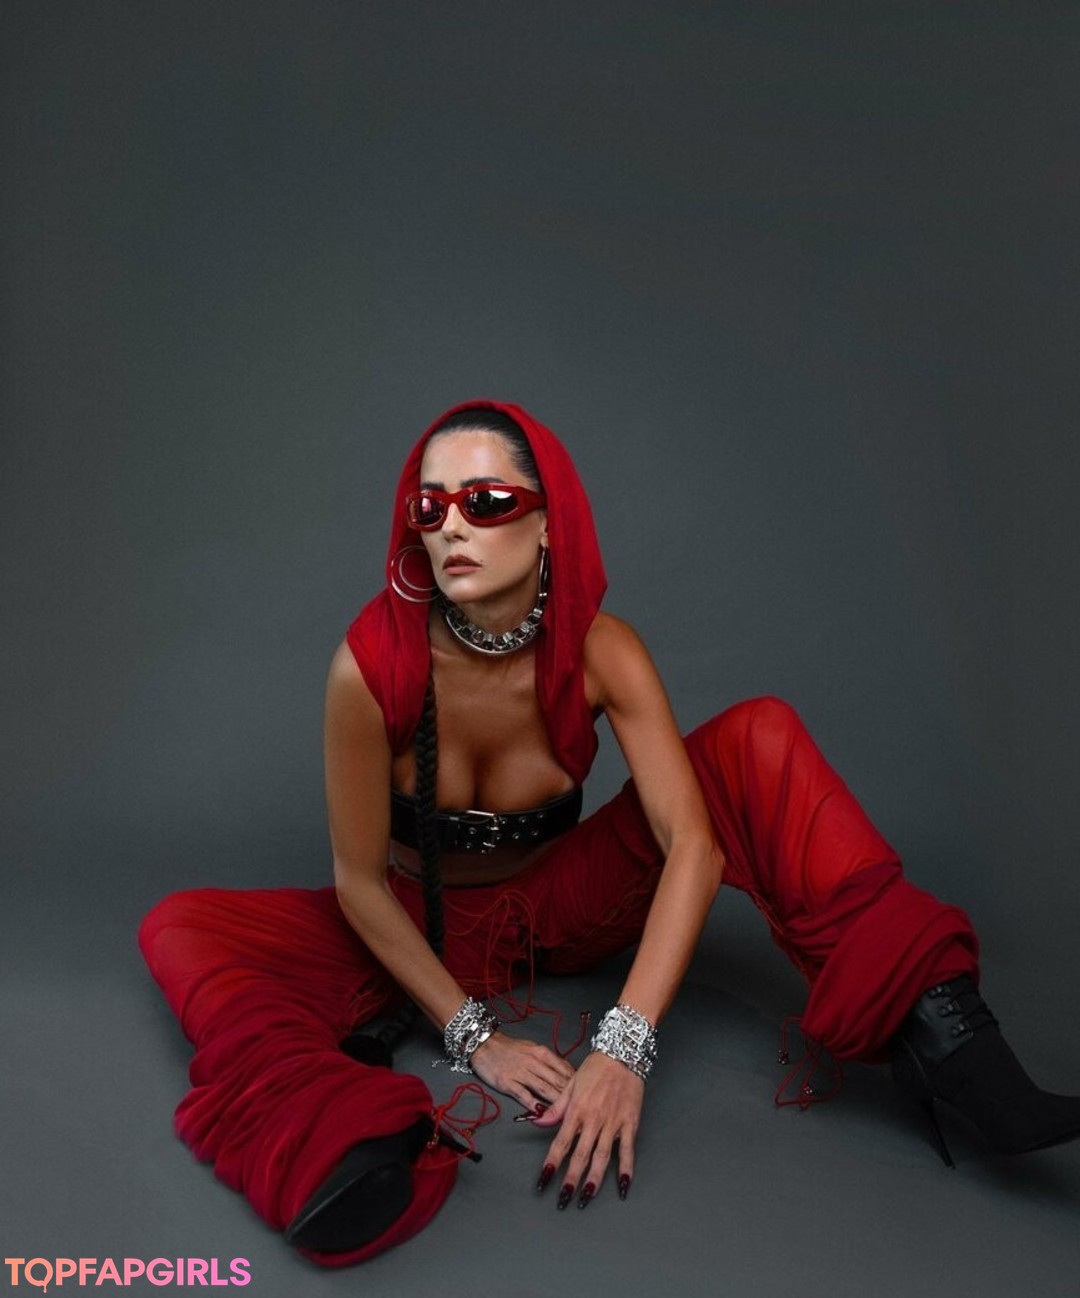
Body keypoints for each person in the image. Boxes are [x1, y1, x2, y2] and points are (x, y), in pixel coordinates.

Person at [140, 399, 1080, 1266]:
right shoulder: (369, 667)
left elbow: (692, 845)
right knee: (181, 927)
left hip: (565, 907)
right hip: (418, 927)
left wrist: (624, 1047)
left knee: (756, 738)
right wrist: (475, 1040)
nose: (453, 526)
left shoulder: (602, 650)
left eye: (485, 500)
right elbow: (355, 883)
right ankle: (346, 1140)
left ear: (548, 520)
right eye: (430, 507)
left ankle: (950, 1042)